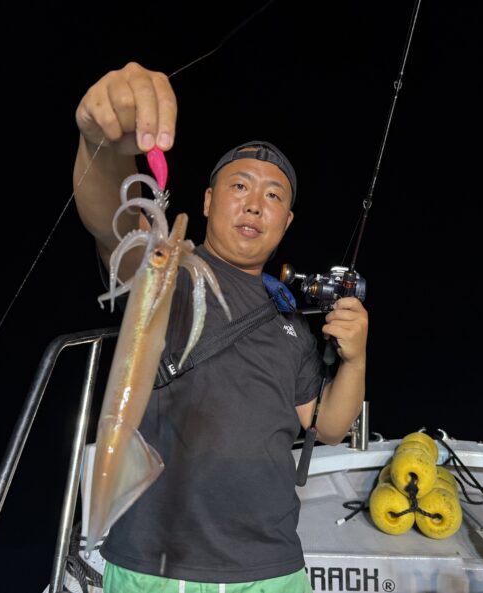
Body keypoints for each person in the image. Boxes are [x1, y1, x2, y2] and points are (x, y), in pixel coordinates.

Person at [73, 62, 368, 593]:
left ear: (286, 222)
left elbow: (326, 426)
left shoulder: (288, 318)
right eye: (240, 186)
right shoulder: (170, 272)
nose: (255, 204)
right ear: (208, 201)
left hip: (274, 569)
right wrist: (104, 145)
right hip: (159, 568)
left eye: (274, 196)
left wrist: (355, 358)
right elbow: (109, 218)